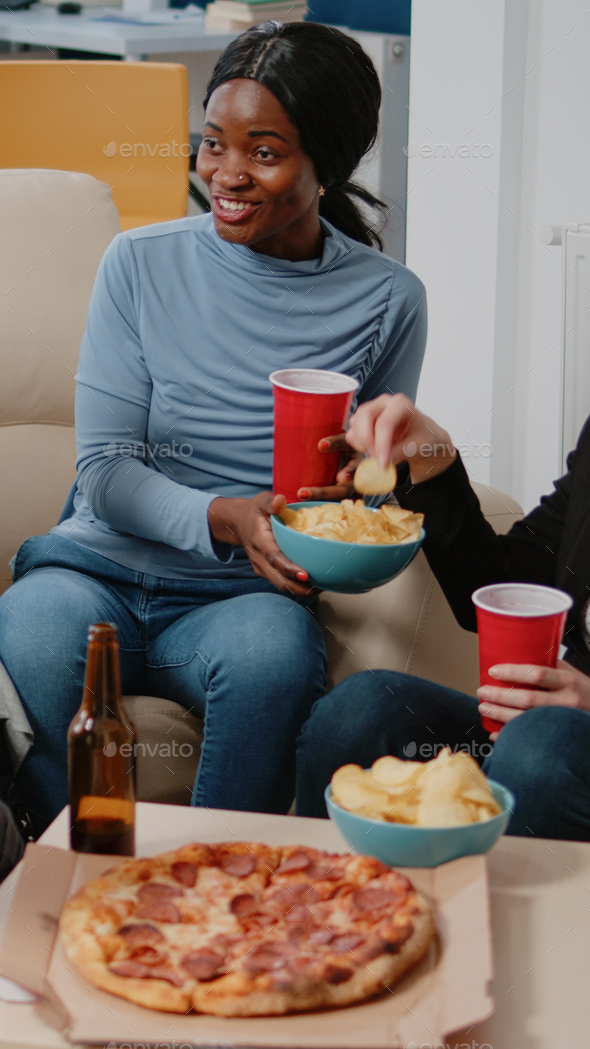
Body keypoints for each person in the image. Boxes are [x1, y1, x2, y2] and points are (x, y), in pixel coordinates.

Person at [0, 22, 427, 835]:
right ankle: (85, 873)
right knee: (34, 629)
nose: (228, 174)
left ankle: (222, 880)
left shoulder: (389, 299)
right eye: (213, 144)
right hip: (95, 566)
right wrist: (226, 516)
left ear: (325, 163)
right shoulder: (140, 262)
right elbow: (107, 470)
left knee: (273, 661)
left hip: (243, 594)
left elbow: (370, 489)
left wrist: (364, 492)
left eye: (264, 152)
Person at [296, 394, 590, 841]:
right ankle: (333, 902)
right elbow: (503, 583)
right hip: (553, 731)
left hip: (555, 741)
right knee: (363, 710)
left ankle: (502, 911)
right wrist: (431, 456)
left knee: (537, 747)